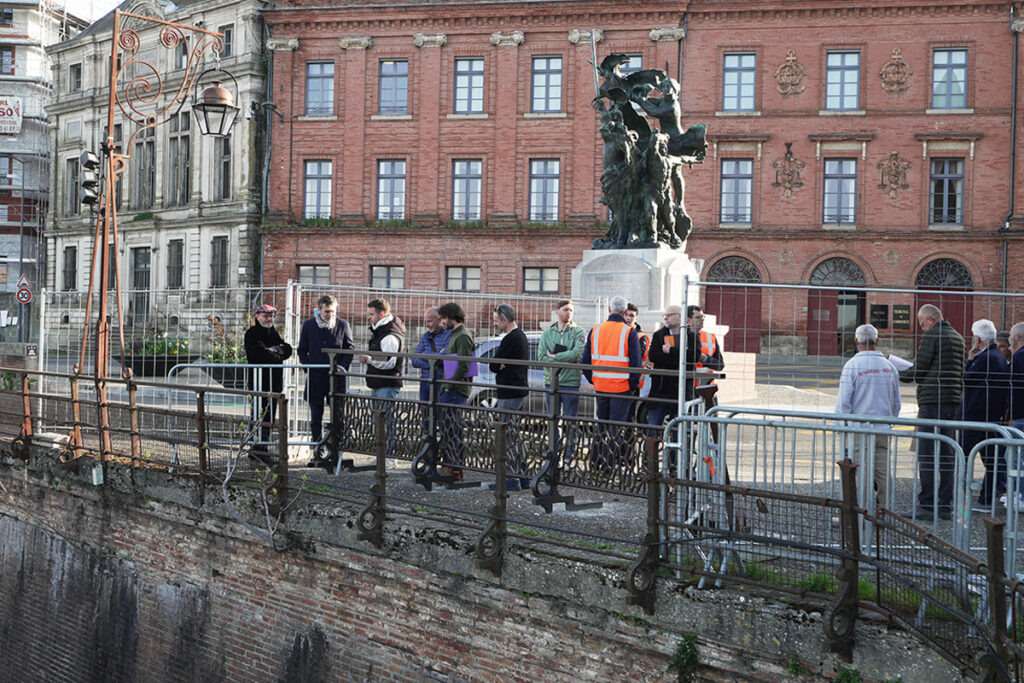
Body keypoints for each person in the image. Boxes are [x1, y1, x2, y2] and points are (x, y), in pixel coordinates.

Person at [899, 304, 965, 520]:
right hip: (952, 401)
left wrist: (898, 373)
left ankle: (926, 504)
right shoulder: (958, 337)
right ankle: (945, 505)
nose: (922, 328)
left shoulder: (932, 336)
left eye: (922, 323)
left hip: (932, 400)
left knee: (926, 453)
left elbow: (920, 367)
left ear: (931, 319)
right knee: (947, 453)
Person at [835, 324, 901, 507]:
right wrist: (889, 421)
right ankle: (885, 511)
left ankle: (863, 513)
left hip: (860, 429)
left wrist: (841, 426)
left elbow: (844, 402)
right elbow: (896, 403)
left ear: (856, 341)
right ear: (877, 341)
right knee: (883, 472)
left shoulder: (852, 366)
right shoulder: (889, 367)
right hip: (883, 428)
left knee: (861, 473)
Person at [581, 295, 643, 473]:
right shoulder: (628, 332)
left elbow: (585, 361)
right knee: (615, 428)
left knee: (602, 425)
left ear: (609, 310)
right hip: (621, 388)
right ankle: (608, 465)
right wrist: (632, 385)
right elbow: (636, 364)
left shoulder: (596, 329)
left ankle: (596, 462)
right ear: (624, 312)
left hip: (601, 386)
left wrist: (594, 379)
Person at [298, 294, 355, 468]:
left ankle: (336, 451)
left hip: (336, 378)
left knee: (337, 416)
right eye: (327, 311)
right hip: (316, 378)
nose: (330, 314)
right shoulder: (308, 325)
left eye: (333, 311)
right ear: (320, 309)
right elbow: (302, 350)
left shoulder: (343, 325)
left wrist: (342, 366)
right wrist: (309, 366)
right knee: (316, 418)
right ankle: (318, 451)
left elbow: (349, 348)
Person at [960, 319, 1010, 511]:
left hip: (975, 415)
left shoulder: (984, 358)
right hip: (992, 415)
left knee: (962, 455)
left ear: (978, 339)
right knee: (993, 460)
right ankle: (986, 498)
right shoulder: (998, 356)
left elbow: (966, 379)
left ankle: (963, 496)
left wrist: (969, 360)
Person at [243, 303, 293, 464]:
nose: (269, 319)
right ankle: (257, 448)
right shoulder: (252, 333)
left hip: (274, 381)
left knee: (270, 415)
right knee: (259, 414)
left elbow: (288, 349)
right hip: (259, 382)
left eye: (271, 316)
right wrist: (276, 353)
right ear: (257, 316)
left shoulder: (272, 332)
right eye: (266, 316)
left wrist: (275, 350)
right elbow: (257, 354)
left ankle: (261, 448)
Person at [488, 304, 530, 490]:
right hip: (516, 389)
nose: (494, 323)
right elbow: (498, 363)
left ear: (505, 320)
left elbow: (494, 365)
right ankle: (523, 476)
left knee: (508, 435)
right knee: (514, 433)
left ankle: (512, 478)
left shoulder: (511, 338)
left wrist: (500, 365)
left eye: (496, 320)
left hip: (509, 390)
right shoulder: (519, 336)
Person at [437, 302, 476, 481]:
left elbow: (463, 364)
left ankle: (455, 468)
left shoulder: (463, 336)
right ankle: (449, 465)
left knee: (453, 429)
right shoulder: (455, 335)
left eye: (444, 318)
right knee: (447, 428)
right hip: (450, 388)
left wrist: (449, 385)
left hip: (455, 390)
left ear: (452, 317)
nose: (441, 322)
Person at [647, 305, 700, 429]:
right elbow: (654, 356)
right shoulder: (659, 335)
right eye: (665, 315)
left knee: (680, 430)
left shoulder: (691, 335)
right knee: (653, 428)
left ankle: (676, 449)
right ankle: (650, 449)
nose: (666, 318)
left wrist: (671, 351)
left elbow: (694, 357)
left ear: (680, 317)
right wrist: (680, 357)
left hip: (682, 391)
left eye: (670, 315)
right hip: (661, 389)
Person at [358, 298, 406, 399]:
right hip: (381, 382)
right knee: (379, 414)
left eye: (371, 314)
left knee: (385, 414)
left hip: (386, 383)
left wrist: (369, 359)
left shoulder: (389, 336)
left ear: (381, 314)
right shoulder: (381, 330)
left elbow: (388, 360)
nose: (368, 317)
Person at [410, 306, 450, 404]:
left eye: (430, 321)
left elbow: (445, 359)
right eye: (426, 322)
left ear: (439, 320)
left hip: (441, 382)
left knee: (441, 413)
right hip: (425, 381)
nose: (427, 325)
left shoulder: (449, 335)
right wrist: (434, 361)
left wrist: (425, 355)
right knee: (425, 412)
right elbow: (414, 360)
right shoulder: (426, 336)